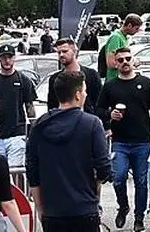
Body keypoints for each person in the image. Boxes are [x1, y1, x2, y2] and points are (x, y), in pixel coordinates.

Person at [26, 70, 111, 232]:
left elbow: (32, 172)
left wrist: (40, 209)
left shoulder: (39, 126)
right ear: (78, 95)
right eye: (84, 91)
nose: (85, 95)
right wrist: (95, 189)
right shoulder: (92, 124)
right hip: (84, 209)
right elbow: (103, 167)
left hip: (53, 212)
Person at [97, 47, 150, 232]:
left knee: (141, 181)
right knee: (118, 177)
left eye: (127, 58)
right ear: (115, 63)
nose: (124, 62)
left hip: (142, 140)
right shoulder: (110, 86)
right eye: (120, 59)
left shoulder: (146, 83)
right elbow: (98, 110)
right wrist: (109, 114)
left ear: (133, 60)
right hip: (120, 141)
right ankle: (123, 207)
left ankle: (139, 216)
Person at [0, 45, 35, 168]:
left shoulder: (23, 80)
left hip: (16, 135)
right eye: (4, 57)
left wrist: (32, 131)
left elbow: (30, 107)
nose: (7, 60)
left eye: (9, 57)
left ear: (14, 58)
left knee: (15, 173)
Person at [47, 38, 102, 115]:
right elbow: (52, 106)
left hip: (88, 122)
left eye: (65, 51)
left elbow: (99, 103)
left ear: (74, 52)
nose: (61, 55)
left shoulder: (92, 75)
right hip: (63, 122)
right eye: (59, 52)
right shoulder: (54, 78)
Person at [102, 15, 143, 81]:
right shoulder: (116, 37)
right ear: (129, 25)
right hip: (115, 80)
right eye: (136, 28)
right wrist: (133, 62)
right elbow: (111, 63)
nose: (137, 31)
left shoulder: (124, 38)